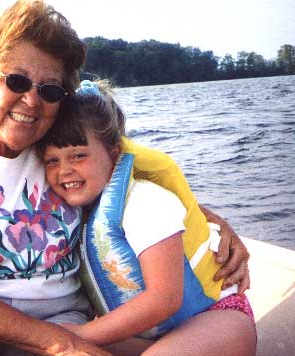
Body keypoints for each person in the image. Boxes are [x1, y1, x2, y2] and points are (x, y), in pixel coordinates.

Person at [0, 1, 250, 355]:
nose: (31, 101)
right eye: (16, 81)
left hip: (61, 316)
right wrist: (65, 345)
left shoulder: (63, 138)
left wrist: (216, 226)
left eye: (49, 90)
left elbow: (139, 188)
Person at [37, 80, 257, 355]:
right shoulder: (78, 217)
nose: (64, 170)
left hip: (217, 318)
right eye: (52, 161)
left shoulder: (145, 201)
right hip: (151, 334)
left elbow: (164, 299)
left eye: (78, 155)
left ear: (114, 153)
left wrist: (81, 334)